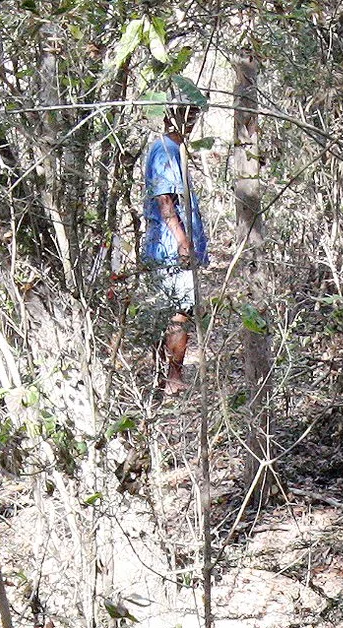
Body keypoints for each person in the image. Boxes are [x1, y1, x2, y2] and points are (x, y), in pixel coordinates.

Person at [140, 79, 210, 397]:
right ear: (173, 114)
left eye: (194, 112)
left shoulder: (176, 151)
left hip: (170, 248)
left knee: (171, 312)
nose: (191, 118)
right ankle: (173, 377)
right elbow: (165, 202)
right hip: (169, 250)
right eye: (187, 112)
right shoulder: (165, 150)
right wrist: (183, 242)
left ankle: (164, 377)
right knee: (179, 312)